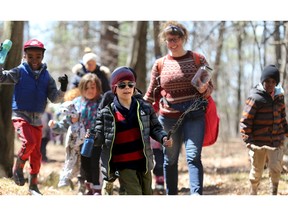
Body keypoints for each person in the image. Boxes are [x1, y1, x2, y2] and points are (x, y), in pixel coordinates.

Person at [143, 21, 214, 195]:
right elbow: (151, 92)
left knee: (193, 157)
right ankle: (171, 195)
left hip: (194, 115)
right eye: (168, 40)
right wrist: (138, 107)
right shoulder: (160, 64)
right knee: (170, 159)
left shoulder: (198, 59)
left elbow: (210, 87)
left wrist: (205, 89)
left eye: (175, 39)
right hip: (168, 118)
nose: (172, 43)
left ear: (183, 39)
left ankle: (196, 195)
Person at [0, 38, 68, 195]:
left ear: (43, 57)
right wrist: (1, 59)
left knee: (37, 154)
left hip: (37, 118)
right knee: (28, 142)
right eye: (30, 56)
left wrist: (63, 87)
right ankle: (18, 167)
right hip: (20, 115)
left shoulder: (47, 77)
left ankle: (33, 186)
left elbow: (55, 98)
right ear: (24, 56)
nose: (34, 60)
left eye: (38, 56)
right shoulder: (19, 71)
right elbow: (1, 77)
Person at [93, 66, 172, 195]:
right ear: (114, 88)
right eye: (122, 85)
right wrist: (93, 137)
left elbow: (156, 128)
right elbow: (100, 136)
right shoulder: (106, 113)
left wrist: (163, 138)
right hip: (123, 163)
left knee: (146, 193)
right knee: (134, 193)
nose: (127, 88)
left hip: (143, 161)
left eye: (130, 85)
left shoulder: (145, 108)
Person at [50, 73, 103, 195]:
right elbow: (66, 122)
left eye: (93, 87)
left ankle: (97, 188)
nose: (89, 90)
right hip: (80, 139)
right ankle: (87, 186)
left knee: (95, 163)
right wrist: (55, 126)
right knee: (84, 164)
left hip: (97, 138)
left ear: (98, 88)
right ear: (82, 88)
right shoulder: (76, 103)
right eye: (86, 88)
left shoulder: (101, 102)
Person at [240, 65, 288, 195]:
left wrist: (286, 131)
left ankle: (274, 191)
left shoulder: (279, 97)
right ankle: (254, 191)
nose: (270, 84)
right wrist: (248, 140)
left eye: (273, 82)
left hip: (276, 141)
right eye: (267, 81)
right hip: (258, 143)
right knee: (257, 171)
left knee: (275, 168)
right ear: (262, 81)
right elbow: (245, 120)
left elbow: (282, 117)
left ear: (276, 83)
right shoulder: (256, 97)